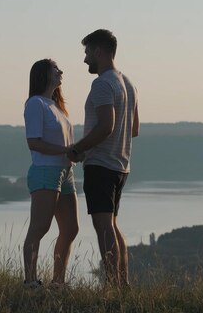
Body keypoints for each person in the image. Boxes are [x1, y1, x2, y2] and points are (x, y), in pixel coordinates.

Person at [67, 29, 139, 287]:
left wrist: (78, 149)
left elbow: (106, 125)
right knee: (112, 226)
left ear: (99, 51)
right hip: (122, 165)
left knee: (103, 227)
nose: (85, 59)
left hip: (101, 165)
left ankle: (111, 286)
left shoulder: (102, 84)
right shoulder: (128, 84)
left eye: (87, 52)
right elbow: (134, 129)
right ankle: (122, 285)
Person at [22, 58, 80, 288]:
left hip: (65, 172)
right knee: (39, 228)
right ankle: (30, 281)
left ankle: (58, 282)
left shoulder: (56, 105)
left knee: (71, 228)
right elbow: (34, 143)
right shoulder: (36, 104)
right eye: (56, 69)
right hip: (46, 171)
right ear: (43, 74)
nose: (61, 72)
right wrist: (67, 150)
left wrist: (74, 153)